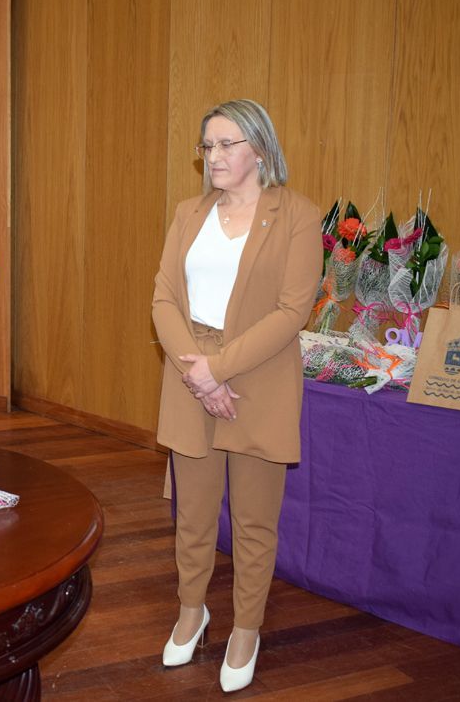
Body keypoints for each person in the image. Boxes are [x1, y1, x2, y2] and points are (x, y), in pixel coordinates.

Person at [152, 100, 321, 692]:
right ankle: (191, 614)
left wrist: (218, 370)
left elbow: (291, 311)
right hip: (189, 375)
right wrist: (199, 373)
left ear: (260, 149)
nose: (215, 156)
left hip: (260, 379)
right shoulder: (188, 212)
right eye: (208, 146)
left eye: (227, 144)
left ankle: (246, 628)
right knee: (192, 518)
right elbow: (164, 300)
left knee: (253, 522)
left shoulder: (297, 214)